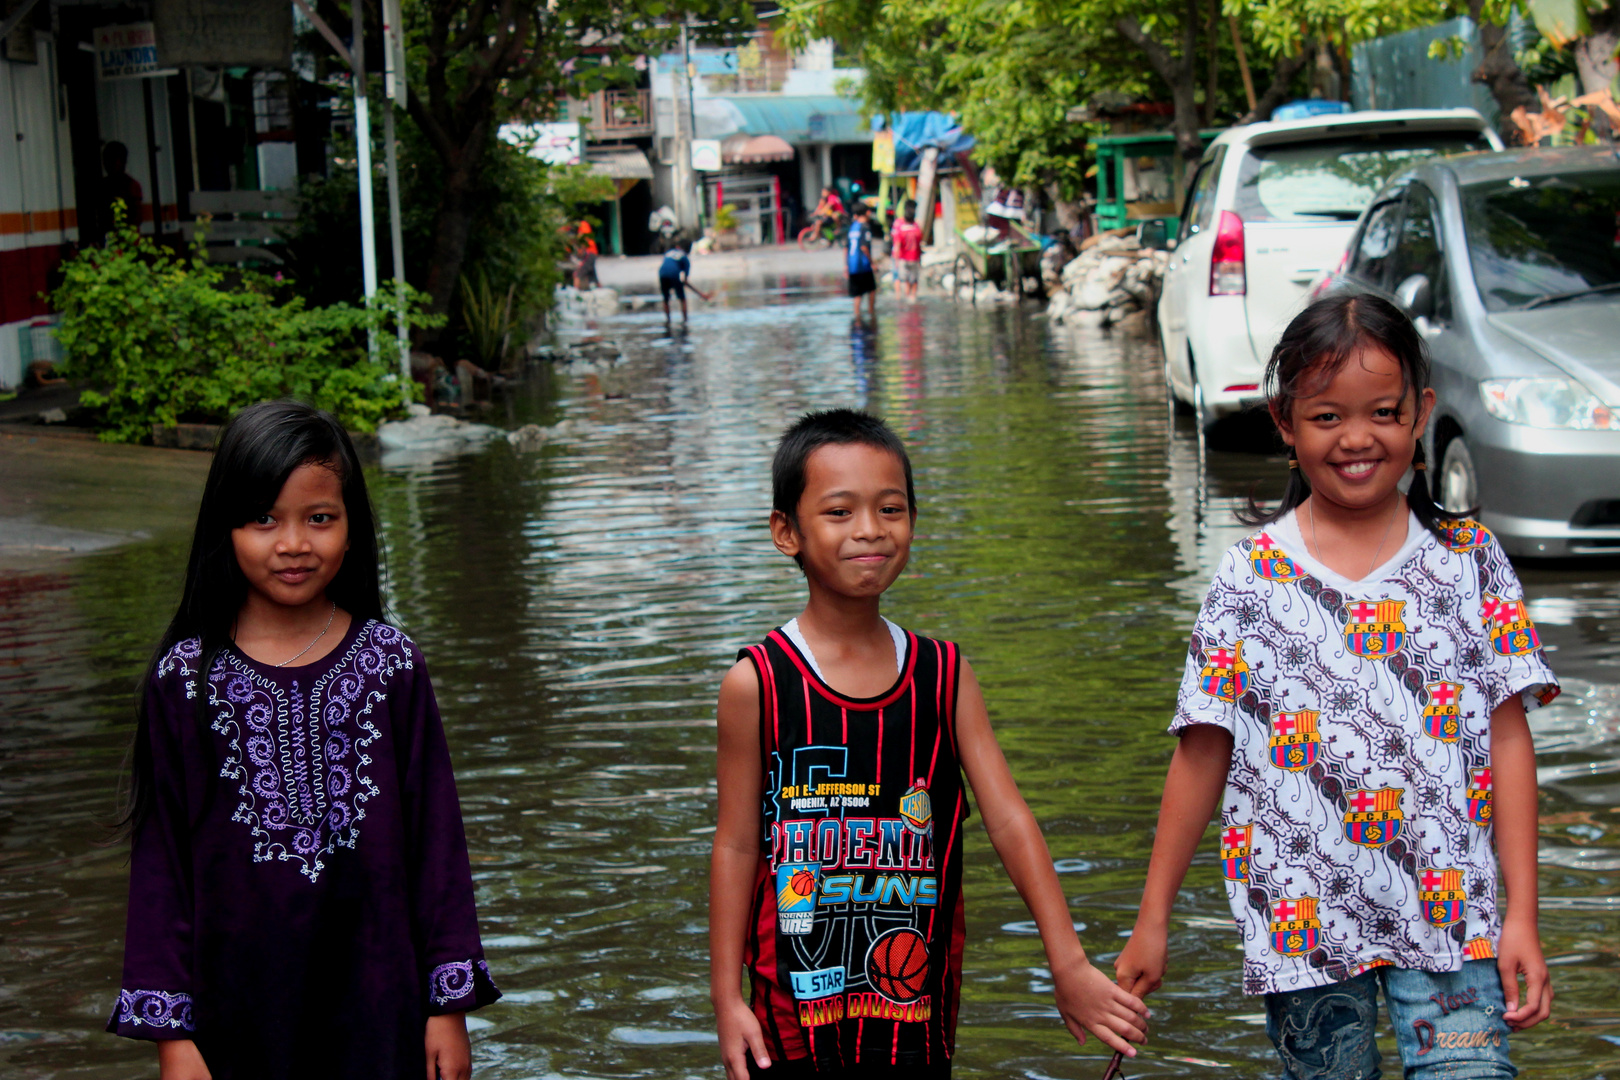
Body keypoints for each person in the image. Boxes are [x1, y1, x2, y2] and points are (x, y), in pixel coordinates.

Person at [1115, 294, 1558, 1080]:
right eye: (1327, 417)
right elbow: (1202, 753)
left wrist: (1522, 914)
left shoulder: (1470, 561)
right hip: (1302, 926)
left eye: (1384, 411)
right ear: (1284, 421)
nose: (1358, 439)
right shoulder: (1249, 579)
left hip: (1454, 920)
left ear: (1420, 412)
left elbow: (1508, 740)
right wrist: (1154, 920)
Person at [709, 409, 1150, 1079]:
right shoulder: (758, 683)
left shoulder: (943, 675)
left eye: (890, 508)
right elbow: (738, 844)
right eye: (839, 511)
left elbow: (1008, 819)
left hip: (915, 1004)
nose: (869, 530)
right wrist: (724, 999)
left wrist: (1067, 962)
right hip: (788, 1010)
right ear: (785, 532)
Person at [108, 401, 500, 1080]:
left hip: (383, 1005)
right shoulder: (184, 680)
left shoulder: (392, 665)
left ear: (352, 527)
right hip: (233, 1016)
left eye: (319, 518)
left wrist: (449, 1004)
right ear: (223, 528)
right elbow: (161, 867)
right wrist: (174, 1037)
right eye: (264, 518)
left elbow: (437, 846)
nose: (293, 543)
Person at [99, 140, 143, 241]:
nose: (106, 164)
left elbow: (137, 217)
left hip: (128, 240)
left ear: (122, 161)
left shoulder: (132, 185)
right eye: (105, 160)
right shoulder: (102, 185)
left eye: (112, 160)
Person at [659, 238, 709, 322]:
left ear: (678, 247)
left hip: (662, 273)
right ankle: (685, 319)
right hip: (674, 273)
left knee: (666, 298)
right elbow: (685, 281)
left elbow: (667, 264)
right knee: (682, 299)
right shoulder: (685, 259)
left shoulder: (668, 252)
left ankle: (668, 320)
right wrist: (700, 294)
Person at [846, 204, 878, 319]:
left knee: (857, 295)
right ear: (867, 213)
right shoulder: (865, 227)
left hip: (852, 265)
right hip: (863, 265)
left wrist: (846, 266)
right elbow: (864, 247)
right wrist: (872, 263)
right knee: (872, 290)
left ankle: (857, 316)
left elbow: (846, 248)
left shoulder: (852, 227)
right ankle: (871, 313)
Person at [890, 199, 923, 300]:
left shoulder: (898, 224)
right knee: (913, 280)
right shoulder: (916, 226)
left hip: (900, 256)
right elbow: (919, 242)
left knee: (901, 279)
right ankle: (911, 297)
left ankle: (899, 298)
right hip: (912, 257)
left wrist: (895, 259)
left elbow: (896, 242)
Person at [573, 220, 599, 291]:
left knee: (577, 274)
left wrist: (579, 252)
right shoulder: (588, 230)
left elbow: (583, 244)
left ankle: (575, 293)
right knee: (593, 275)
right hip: (594, 254)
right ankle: (598, 290)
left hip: (589, 254)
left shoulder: (583, 230)